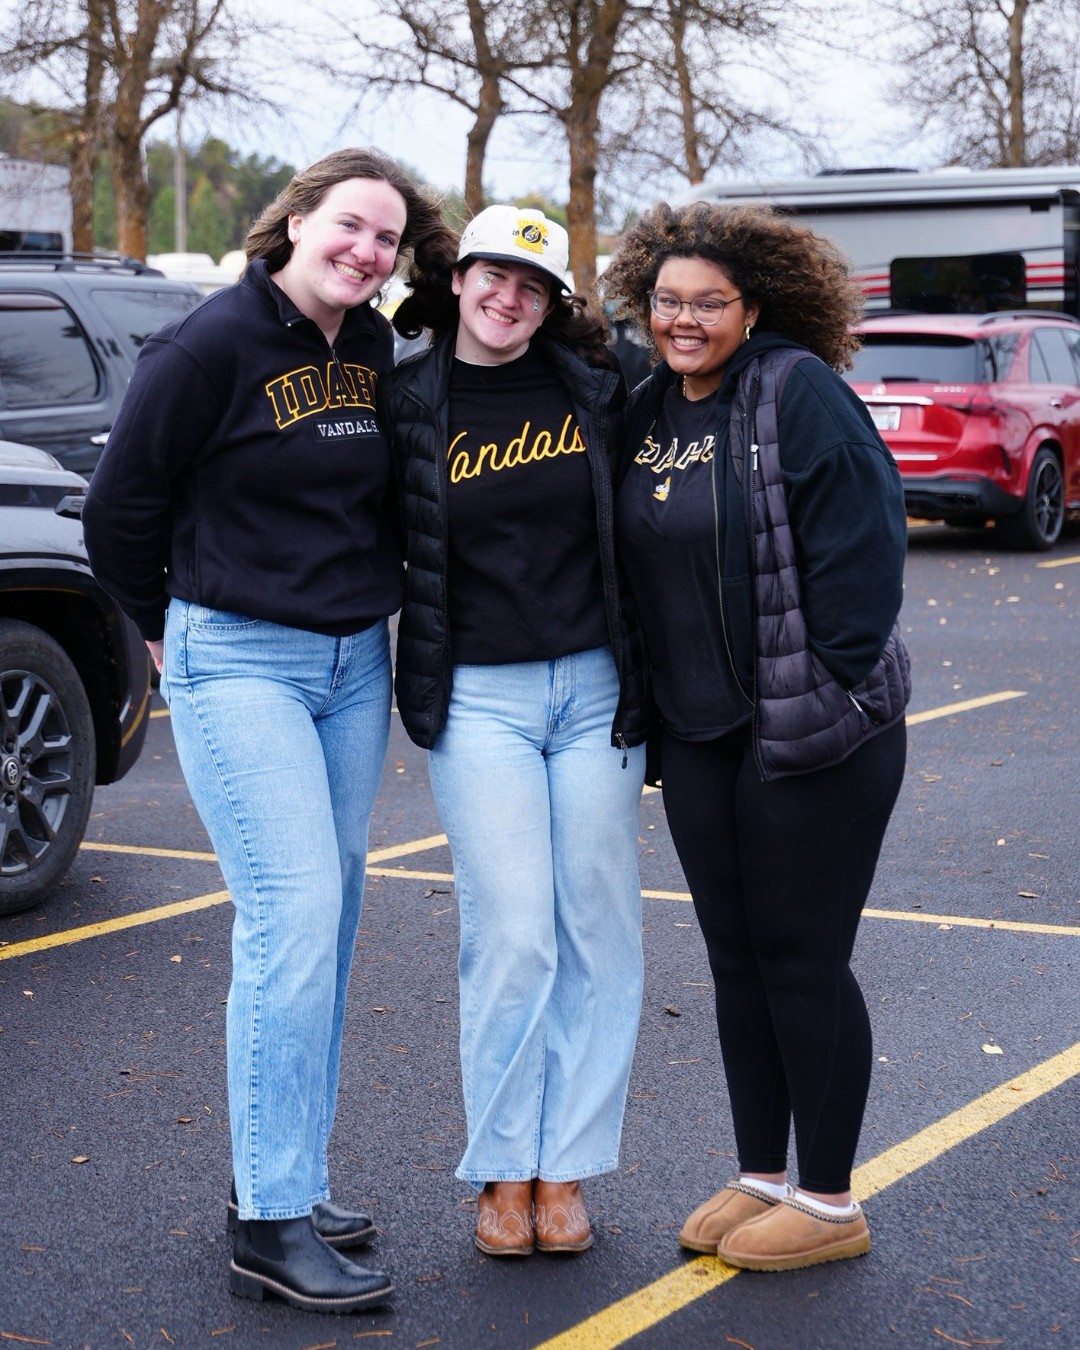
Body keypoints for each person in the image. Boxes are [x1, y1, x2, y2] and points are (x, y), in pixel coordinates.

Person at [82, 148, 453, 1313]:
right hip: (239, 655)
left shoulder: (376, 346)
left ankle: (293, 1174)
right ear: (293, 220)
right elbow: (117, 508)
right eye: (351, 226)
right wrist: (164, 628)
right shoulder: (208, 344)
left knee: (328, 924)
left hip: (353, 665)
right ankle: (266, 1220)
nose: (367, 251)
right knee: (290, 914)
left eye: (387, 239)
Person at [601, 201, 911, 1272]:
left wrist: (823, 682)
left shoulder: (796, 392)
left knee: (802, 955)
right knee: (736, 957)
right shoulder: (649, 407)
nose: (684, 320)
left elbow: (865, 550)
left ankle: (829, 1201)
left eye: (709, 303)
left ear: (755, 306)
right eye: (668, 301)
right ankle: (761, 1173)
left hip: (813, 729)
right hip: (698, 733)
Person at [382, 205, 649, 1257]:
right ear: (460, 279)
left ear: (555, 304)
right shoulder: (408, 395)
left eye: (534, 286)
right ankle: (500, 1168)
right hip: (478, 697)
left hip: (594, 690)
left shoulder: (595, 387)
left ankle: (566, 1170)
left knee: (599, 928)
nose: (510, 298)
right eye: (495, 276)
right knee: (514, 936)